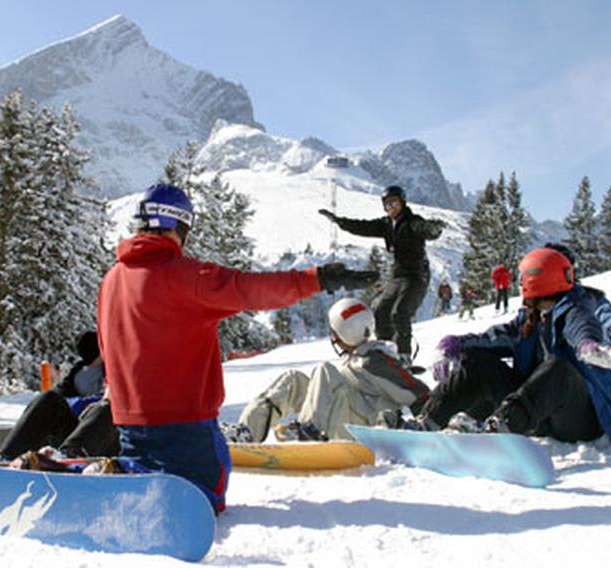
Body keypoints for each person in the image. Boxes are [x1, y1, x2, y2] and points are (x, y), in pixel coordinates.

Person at [97, 183, 377, 513]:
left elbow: (107, 348)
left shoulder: (111, 280)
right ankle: (129, 479)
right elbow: (251, 290)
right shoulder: (186, 276)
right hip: (185, 428)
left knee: (147, 483)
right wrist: (318, 279)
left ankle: (105, 475)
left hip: (129, 427)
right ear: (180, 228)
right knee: (204, 500)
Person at [395, 248, 611, 448]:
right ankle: (427, 422)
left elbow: (584, 330)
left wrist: (594, 348)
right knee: (477, 361)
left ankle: (501, 428)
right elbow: (495, 338)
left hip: (583, 417)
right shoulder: (528, 318)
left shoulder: (578, 306)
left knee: (557, 368)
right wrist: (456, 344)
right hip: (539, 414)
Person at [226, 297, 430, 443]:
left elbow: (418, 393)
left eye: (334, 332)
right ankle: (247, 432)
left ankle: (310, 431)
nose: (333, 337)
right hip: (344, 417)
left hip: (364, 431)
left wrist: (430, 427)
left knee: (324, 371)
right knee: (294, 379)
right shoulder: (359, 357)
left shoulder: (375, 361)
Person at [318, 185, 445, 360]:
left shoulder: (411, 222)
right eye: (387, 205)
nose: (391, 208)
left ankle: (404, 356)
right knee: (381, 312)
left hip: (416, 276)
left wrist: (434, 229)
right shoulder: (386, 224)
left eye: (394, 203)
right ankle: (387, 354)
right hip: (398, 276)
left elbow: (424, 228)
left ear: (402, 202)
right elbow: (362, 227)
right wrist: (340, 221)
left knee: (400, 313)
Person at [0, 331, 119, 461]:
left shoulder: (126, 370)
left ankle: (71, 458)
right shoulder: (82, 373)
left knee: (106, 408)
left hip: (111, 441)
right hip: (74, 435)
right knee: (49, 398)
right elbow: (59, 396)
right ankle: (8, 456)